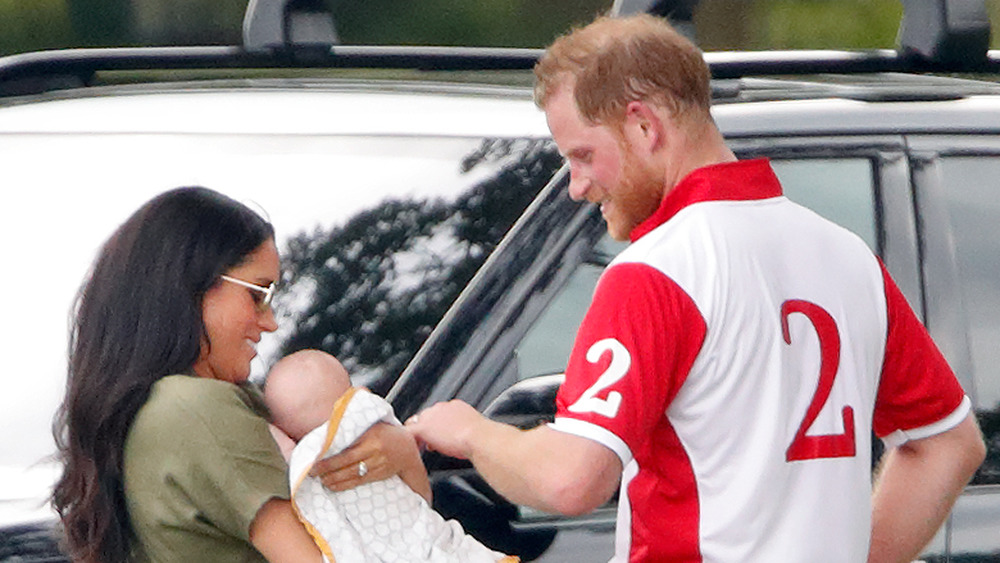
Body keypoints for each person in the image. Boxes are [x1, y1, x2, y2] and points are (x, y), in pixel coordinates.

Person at [405, 13, 987, 563]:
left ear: (643, 125)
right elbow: (950, 444)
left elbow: (572, 477)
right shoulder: (847, 256)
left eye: (583, 156)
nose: (576, 186)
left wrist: (472, 433)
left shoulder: (657, 270)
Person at [51, 187, 425, 563]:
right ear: (189, 287)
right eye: (258, 294)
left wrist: (400, 450)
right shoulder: (198, 408)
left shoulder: (150, 414)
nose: (271, 322)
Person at [262, 349, 516, 563]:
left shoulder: (305, 467)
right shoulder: (377, 424)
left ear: (287, 432)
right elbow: (421, 501)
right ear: (354, 393)